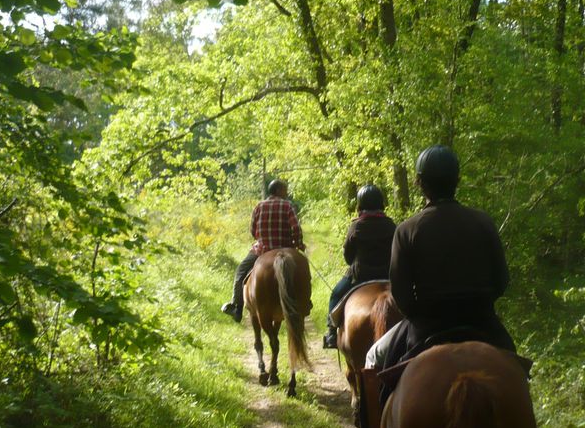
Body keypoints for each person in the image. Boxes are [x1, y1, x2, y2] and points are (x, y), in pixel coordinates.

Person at [383, 144, 516, 367]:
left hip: (425, 327)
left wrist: (421, 313)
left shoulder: (406, 230)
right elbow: (501, 280)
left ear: (419, 183)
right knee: (518, 371)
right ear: (457, 180)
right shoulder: (484, 222)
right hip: (482, 322)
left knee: (380, 366)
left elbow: (401, 294)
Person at [322, 185, 396, 349]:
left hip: (360, 277)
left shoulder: (356, 226)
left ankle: (332, 334)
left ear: (360, 204)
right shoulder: (391, 225)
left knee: (335, 294)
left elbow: (348, 257)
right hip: (388, 277)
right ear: (381, 203)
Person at [221, 179, 305, 322]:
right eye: (285, 189)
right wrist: (297, 244)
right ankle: (305, 303)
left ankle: (237, 307)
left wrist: (263, 239)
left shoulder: (259, 206)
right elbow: (296, 228)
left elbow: (253, 231)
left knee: (241, 273)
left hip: (261, 250)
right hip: (284, 250)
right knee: (303, 274)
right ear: (278, 190)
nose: (287, 192)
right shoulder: (287, 206)